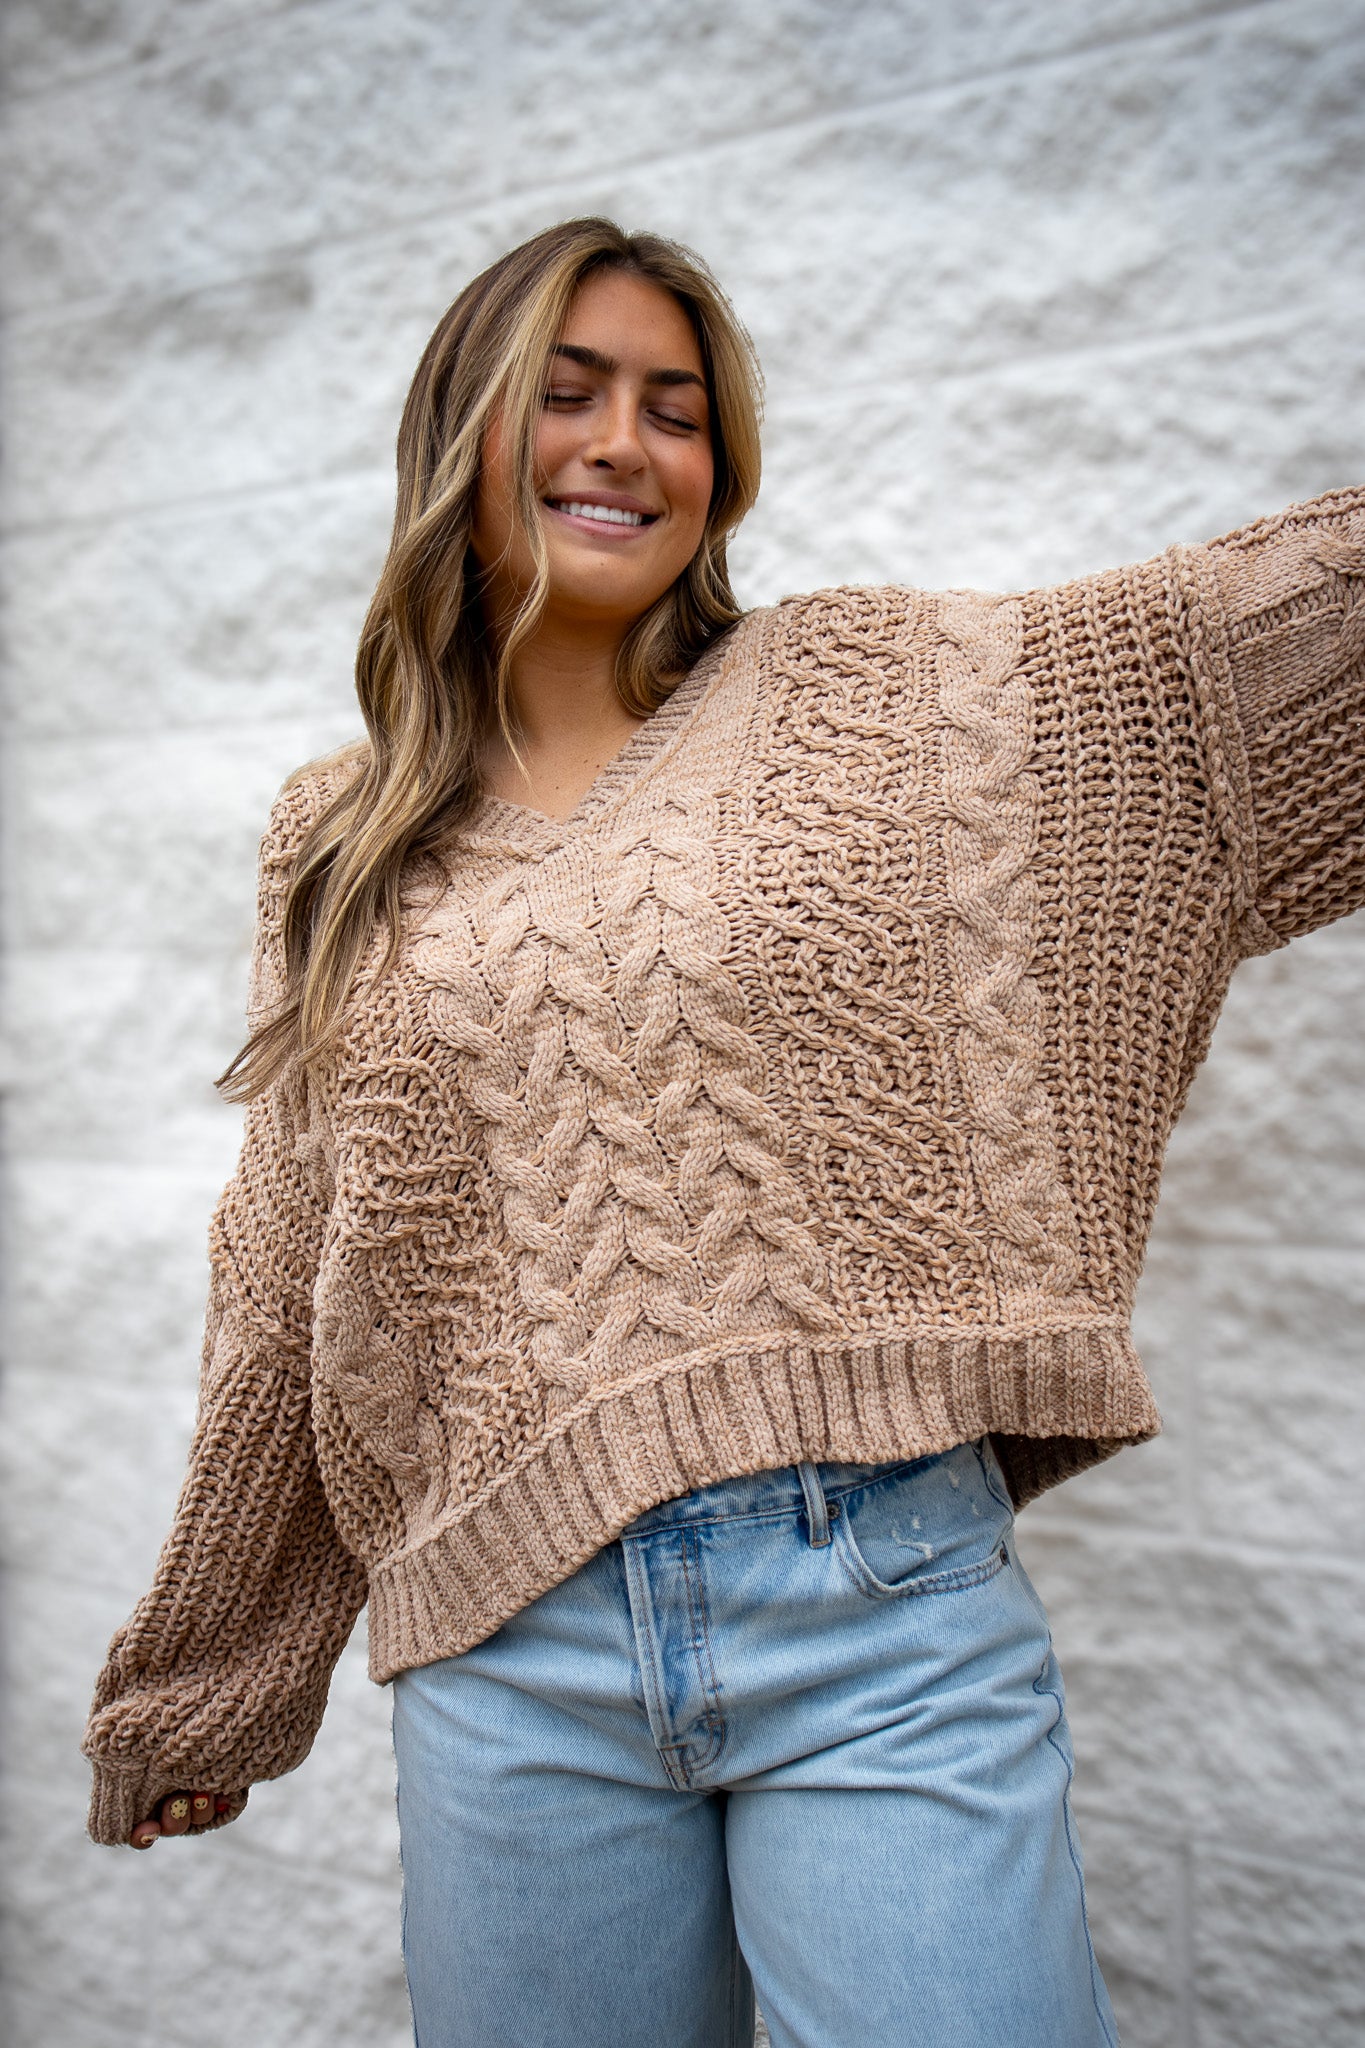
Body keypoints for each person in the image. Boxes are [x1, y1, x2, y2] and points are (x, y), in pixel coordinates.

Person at [82, 215, 1364, 2048]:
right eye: (573, 392)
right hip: (503, 1659)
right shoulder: (339, 833)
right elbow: (298, 1261)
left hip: (875, 1612)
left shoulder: (879, 703)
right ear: (466, 433)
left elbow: (1226, 671)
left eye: (676, 410)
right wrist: (216, 1676)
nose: (626, 444)